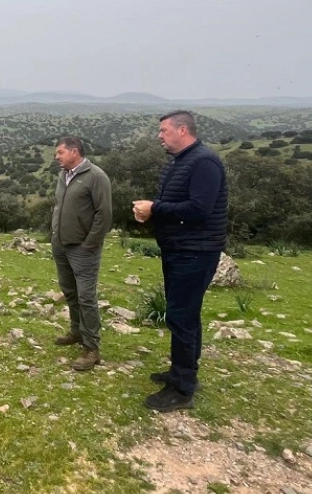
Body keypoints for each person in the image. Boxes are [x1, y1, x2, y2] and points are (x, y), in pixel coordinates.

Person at [133, 110, 228, 412]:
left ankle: (182, 389)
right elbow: (178, 205)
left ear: (182, 130)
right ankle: (181, 372)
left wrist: (155, 208)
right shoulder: (181, 161)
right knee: (185, 315)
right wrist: (151, 213)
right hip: (179, 250)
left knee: (181, 317)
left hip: (195, 253)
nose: (159, 136)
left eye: (163, 130)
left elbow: (199, 209)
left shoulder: (204, 162)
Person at [50, 136, 112, 371]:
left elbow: (104, 214)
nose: (57, 157)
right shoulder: (63, 175)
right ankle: (76, 332)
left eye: (60, 152)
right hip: (61, 244)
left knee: (86, 297)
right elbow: (58, 205)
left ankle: (92, 348)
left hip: (83, 249)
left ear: (74, 152)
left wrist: (90, 244)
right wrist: (54, 233)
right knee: (69, 291)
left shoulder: (96, 177)